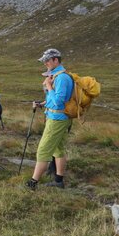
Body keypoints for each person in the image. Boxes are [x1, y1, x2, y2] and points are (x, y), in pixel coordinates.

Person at [26, 49, 74, 190]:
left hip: (57, 119)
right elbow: (54, 100)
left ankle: (33, 183)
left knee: (43, 150)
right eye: (44, 61)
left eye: (47, 60)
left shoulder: (62, 78)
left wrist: (48, 85)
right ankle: (59, 181)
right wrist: (43, 103)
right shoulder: (56, 75)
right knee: (58, 149)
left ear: (56, 60)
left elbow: (59, 102)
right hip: (57, 116)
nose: (45, 63)